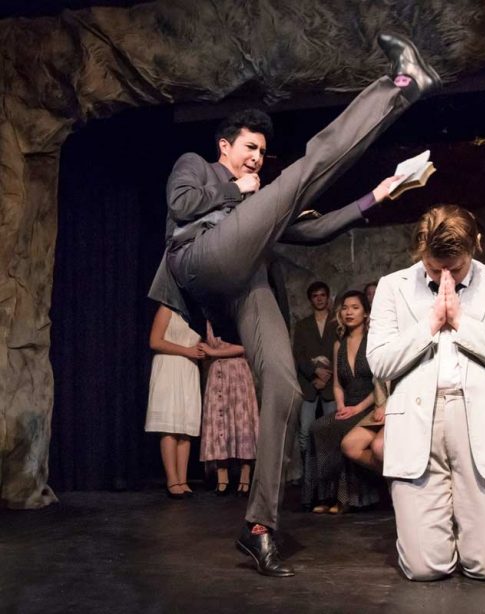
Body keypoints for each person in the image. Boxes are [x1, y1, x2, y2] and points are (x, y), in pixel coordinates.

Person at [147, 33, 441, 576]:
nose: (257, 156)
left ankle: (258, 526)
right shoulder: (198, 168)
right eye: (249, 148)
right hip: (201, 259)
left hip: (246, 282)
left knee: (283, 385)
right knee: (300, 176)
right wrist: (243, 191)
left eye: (261, 150)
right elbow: (182, 205)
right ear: (226, 148)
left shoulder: (259, 198)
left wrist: (382, 192)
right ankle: (399, 84)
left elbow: (315, 229)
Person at [367, 204, 485, 581]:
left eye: (455, 269)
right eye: (432, 267)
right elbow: (380, 361)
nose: (444, 276)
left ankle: (478, 537)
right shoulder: (393, 287)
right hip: (417, 424)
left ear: (476, 244)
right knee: (424, 569)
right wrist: (430, 323)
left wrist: (461, 322)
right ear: (419, 250)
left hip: (482, 423)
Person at [309, 290, 380, 513]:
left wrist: (357, 408)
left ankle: (346, 498)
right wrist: (340, 406)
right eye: (345, 307)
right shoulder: (339, 344)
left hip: (370, 403)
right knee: (318, 427)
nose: (349, 312)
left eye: (355, 308)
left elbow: (380, 384)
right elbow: (338, 384)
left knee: (339, 429)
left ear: (366, 313)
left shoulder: (374, 341)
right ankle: (325, 496)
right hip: (347, 404)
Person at [144, 304, 204, 499]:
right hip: (169, 367)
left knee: (186, 428)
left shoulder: (196, 314)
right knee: (170, 426)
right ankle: (172, 480)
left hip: (188, 370)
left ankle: (182, 480)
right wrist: (186, 351)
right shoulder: (166, 309)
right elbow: (154, 341)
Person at [199, 322, 259, 497]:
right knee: (219, 423)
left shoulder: (238, 315)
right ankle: (222, 477)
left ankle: (245, 476)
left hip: (237, 372)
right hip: (217, 372)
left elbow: (245, 346)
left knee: (242, 424)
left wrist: (213, 352)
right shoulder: (208, 321)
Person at [292, 281, 337, 508]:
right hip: (309, 385)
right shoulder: (302, 325)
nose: (319, 299)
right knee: (304, 435)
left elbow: (341, 349)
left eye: (322, 295)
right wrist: (314, 373)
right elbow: (298, 355)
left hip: (331, 384)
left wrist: (328, 375)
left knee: (330, 434)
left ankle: (329, 485)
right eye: (315, 296)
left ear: (328, 298)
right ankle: (309, 482)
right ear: (310, 300)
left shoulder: (337, 322)